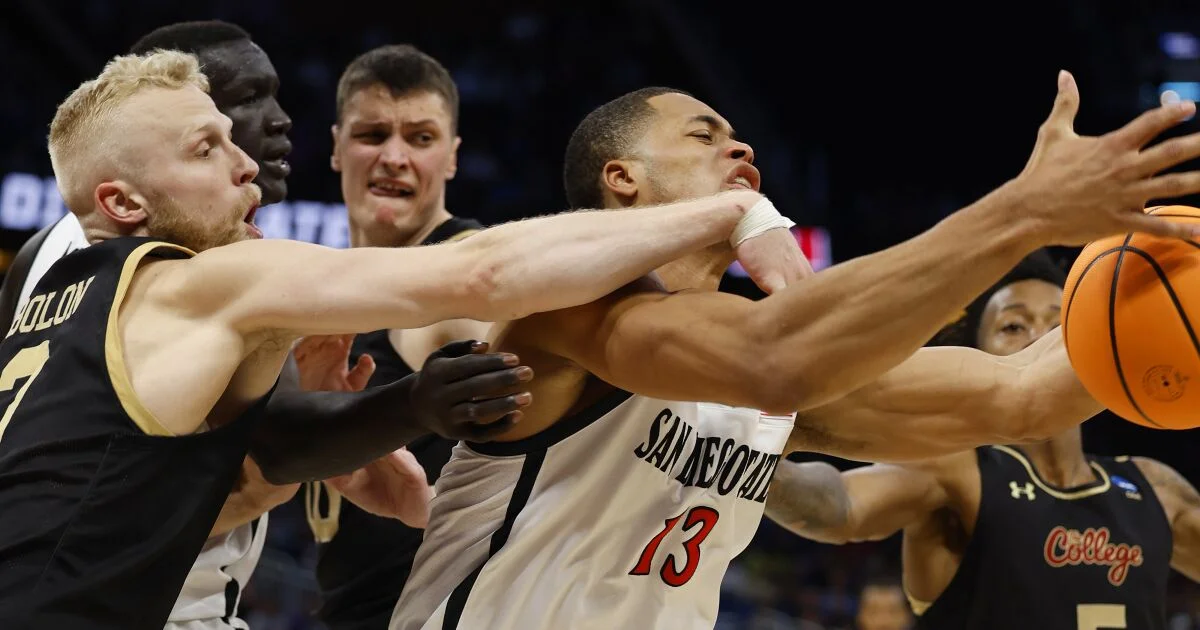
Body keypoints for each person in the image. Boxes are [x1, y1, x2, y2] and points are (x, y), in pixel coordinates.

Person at [0, 50, 783, 630]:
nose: (248, 163)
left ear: (451, 156)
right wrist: (731, 212)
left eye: (231, 138)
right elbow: (486, 275)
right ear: (122, 201)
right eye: (207, 148)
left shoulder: (54, 302)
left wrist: (396, 412)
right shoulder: (196, 281)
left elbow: (241, 468)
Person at [391, 80, 1200, 630]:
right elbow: (775, 353)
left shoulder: (763, 372)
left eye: (744, 143)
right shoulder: (571, 314)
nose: (740, 153)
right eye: (706, 136)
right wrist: (1023, 214)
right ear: (622, 179)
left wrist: (1162, 274)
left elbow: (1022, 394)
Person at [763, 249, 1200, 629]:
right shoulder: (958, 471)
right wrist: (754, 453)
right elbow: (839, 505)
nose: (1043, 339)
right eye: (1014, 327)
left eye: (1061, 323)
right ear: (978, 359)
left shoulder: (1155, 488)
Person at [298, 44, 496, 630]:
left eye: (420, 138)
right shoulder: (332, 292)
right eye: (373, 134)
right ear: (336, 146)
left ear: (453, 158)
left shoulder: (458, 275)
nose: (394, 157)